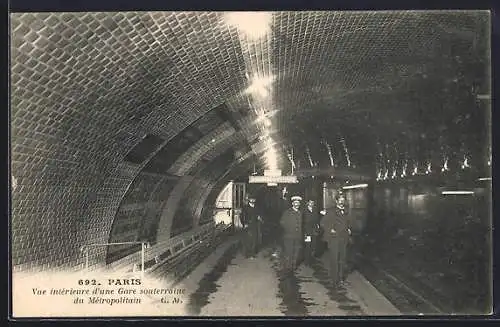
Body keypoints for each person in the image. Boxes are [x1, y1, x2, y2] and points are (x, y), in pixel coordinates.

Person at [320, 189, 352, 287]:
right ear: (336, 201)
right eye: (340, 200)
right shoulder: (331, 211)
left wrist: (349, 229)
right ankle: (334, 280)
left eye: (343, 200)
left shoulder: (345, 211)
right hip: (334, 239)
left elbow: (347, 223)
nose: (342, 202)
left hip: (343, 239)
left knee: (342, 259)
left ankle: (341, 278)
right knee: (334, 259)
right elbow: (323, 223)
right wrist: (330, 229)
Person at [279, 195, 304, 271]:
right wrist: (288, 229)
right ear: (292, 203)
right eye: (295, 203)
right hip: (289, 236)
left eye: (298, 203)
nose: (297, 204)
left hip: (298, 236)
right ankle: (288, 266)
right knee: (289, 251)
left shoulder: (300, 213)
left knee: (296, 251)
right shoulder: (287, 212)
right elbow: (282, 222)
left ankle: (293, 266)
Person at [303, 199, 325, 265]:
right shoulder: (304, 211)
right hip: (307, 232)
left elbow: (317, 219)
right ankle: (307, 260)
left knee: (313, 245)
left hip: (314, 231)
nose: (312, 204)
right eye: (310, 202)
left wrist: (317, 227)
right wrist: (304, 232)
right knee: (308, 246)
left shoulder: (315, 210)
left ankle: (312, 259)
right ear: (307, 203)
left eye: (313, 203)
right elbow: (303, 222)